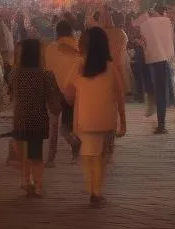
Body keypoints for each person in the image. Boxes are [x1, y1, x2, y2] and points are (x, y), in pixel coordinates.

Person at [62, 25, 126, 206]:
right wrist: (124, 121)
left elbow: (67, 92)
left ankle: (92, 189)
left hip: (84, 119)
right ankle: (96, 192)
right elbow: (120, 94)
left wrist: (76, 99)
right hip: (105, 119)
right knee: (100, 155)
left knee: (89, 153)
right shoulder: (110, 68)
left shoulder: (78, 67)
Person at [10, 37, 61, 197]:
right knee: (36, 154)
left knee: (24, 153)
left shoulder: (15, 74)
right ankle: (38, 185)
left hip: (20, 117)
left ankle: (26, 180)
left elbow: (11, 93)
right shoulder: (46, 75)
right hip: (38, 118)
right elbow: (52, 99)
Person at [44, 20, 81, 165]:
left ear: (56, 32)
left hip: (55, 90)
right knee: (69, 125)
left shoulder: (51, 48)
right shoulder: (78, 47)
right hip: (74, 90)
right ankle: (76, 144)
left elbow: (48, 71)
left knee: (54, 125)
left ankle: (51, 158)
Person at [141, 4, 175, 134]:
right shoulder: (168, 23)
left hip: (154, 60)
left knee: (158, 91)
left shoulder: (148, 24)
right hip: (167, 59)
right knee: (163, 92)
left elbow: (144, 41)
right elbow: (173, 41)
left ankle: (160, 122)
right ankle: (162, 123)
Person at [106, 12, 133, 97]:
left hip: (110, 60)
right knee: (123, 73)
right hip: (120, 59)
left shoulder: (108, 32)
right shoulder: (122, 33)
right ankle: (125, 90)